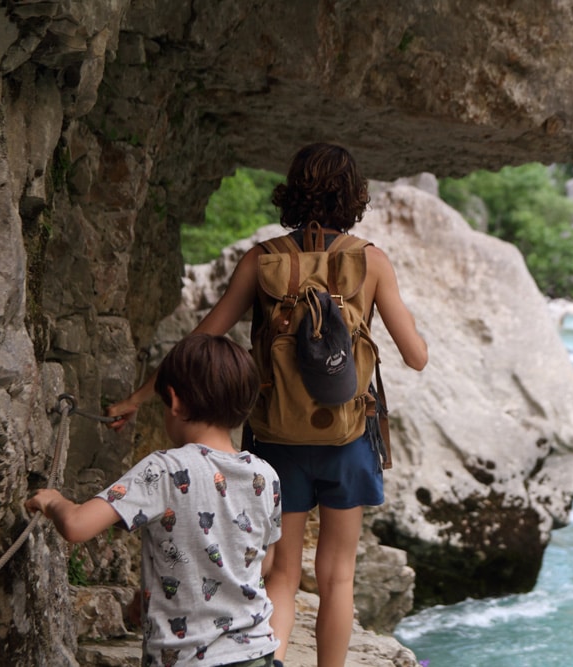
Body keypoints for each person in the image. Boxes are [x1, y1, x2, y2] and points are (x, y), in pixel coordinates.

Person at [108, 142, 428, 667]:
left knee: (280, 571)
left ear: (293, 189)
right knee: (338, 574)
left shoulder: (264, 260)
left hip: (276, 437)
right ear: (354, 196)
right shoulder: (371, 261)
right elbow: (416, 357)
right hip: (348, 439)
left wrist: (138, 398)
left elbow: (201, 343)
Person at [27, 334, 282, 667]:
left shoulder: (164, 469)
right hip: (257, 654)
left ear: (174, 401)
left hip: (188, 660)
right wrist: (160, 590)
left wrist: (53, 501)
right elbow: (264, 562)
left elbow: (76, 525)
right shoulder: (265, 475)